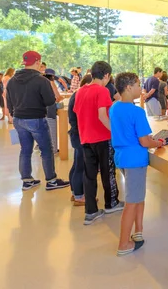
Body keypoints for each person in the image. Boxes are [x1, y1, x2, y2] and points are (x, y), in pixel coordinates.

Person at [111, 72, 165, 256]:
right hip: (135, 160)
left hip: (122, 157)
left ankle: (138, 231)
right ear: (128, 87)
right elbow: (144, 141)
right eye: (137, 85)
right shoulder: (136, 112)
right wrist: (158, 143)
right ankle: (123, 244)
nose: (140, 88)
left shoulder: (114, 107)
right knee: (132, 202)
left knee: (138, 196)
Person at [6, 51, 69, 191]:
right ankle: (51, 180)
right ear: (38, 62)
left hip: (18, 119)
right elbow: (49, 101)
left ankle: (27, 180)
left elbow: (9, 101)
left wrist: (12, 114)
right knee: (46, 150)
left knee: (25, 150)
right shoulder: (42, 80)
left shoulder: (12, 80)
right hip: (36, 119)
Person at [74, 61, 124, 225]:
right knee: (108, 172)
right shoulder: (102, 91)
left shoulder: (80, 91)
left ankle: (91, 211)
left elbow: (78, 113)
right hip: (102, 138)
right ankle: (111, 203)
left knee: (89, 175)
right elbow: (103, 116)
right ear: (107, 75)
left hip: (85, 138)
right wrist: (116, 134)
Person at [68, 74, 93, 206]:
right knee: (81, 166)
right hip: (80, 134)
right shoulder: (80, 95)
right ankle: (79, 195)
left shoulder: (77, 94)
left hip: (76, 133)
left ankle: (74, 192)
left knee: (77, 164)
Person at [43, 69, 64, 154]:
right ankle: (54, 150)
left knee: (45, 131)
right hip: (50, 109)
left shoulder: (41, 83)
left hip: (42, 110)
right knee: (52, 130)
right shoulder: (51, 83)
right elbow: (58, 97)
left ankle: (45, 150)